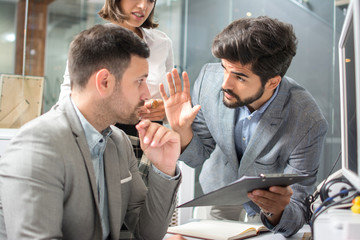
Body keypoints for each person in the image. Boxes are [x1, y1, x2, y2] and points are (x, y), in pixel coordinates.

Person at [0, 24, 181, 240]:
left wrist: (164, 167)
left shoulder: (118, 141)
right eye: (139, 81)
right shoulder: (37, 146)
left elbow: (148, 233)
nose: (146, 94)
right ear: (104, 82)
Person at [160, 16, 328, 237]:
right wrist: (182, 132)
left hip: (268, 209)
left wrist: (277, 211)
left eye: (239, 77)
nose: (224, 84)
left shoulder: (307, 121)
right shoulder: (209, 80)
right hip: (218, 194)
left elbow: (297, 208)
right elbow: (197, 157)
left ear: (272, 82)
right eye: (224, 69)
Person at [58, 0, 174, 182]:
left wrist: (166, 111)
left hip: (150, 139)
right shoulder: (93, 41)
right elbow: (69, 95)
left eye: (150, 0)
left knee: (152, 204)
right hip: (105, 135)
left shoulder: (162, 43)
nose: (144, 6)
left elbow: (170, 97)